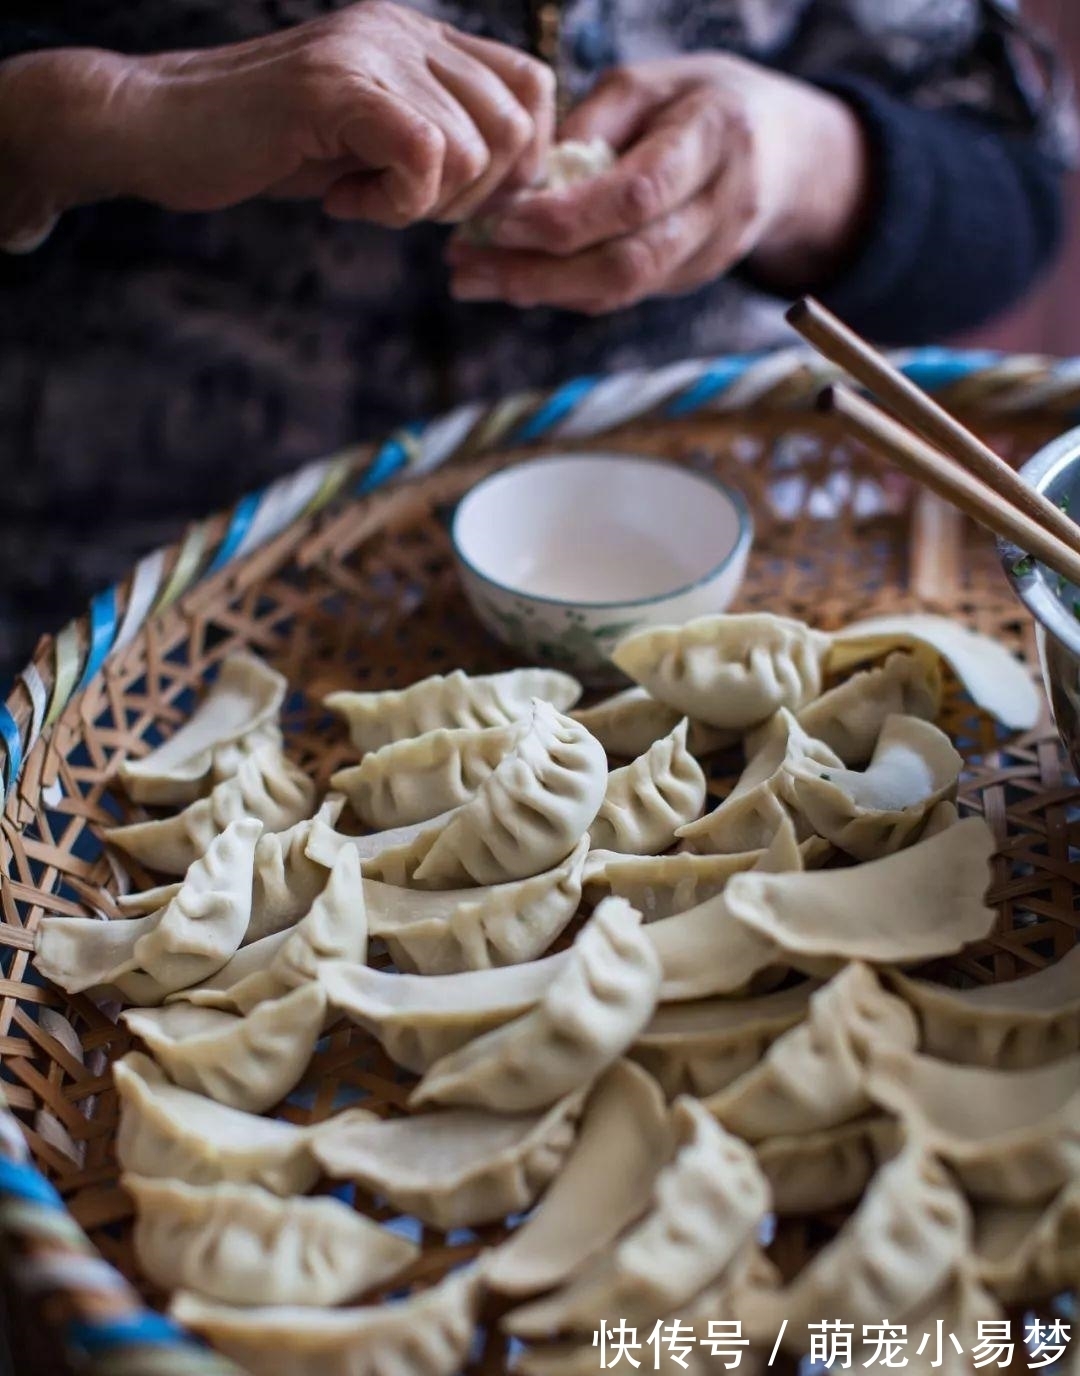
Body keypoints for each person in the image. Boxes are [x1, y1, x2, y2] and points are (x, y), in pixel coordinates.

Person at [0, 0, 1073, 670]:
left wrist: (802, 161)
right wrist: (103, 109)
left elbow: (1020, 201)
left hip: (733, 565)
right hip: (132, 606)